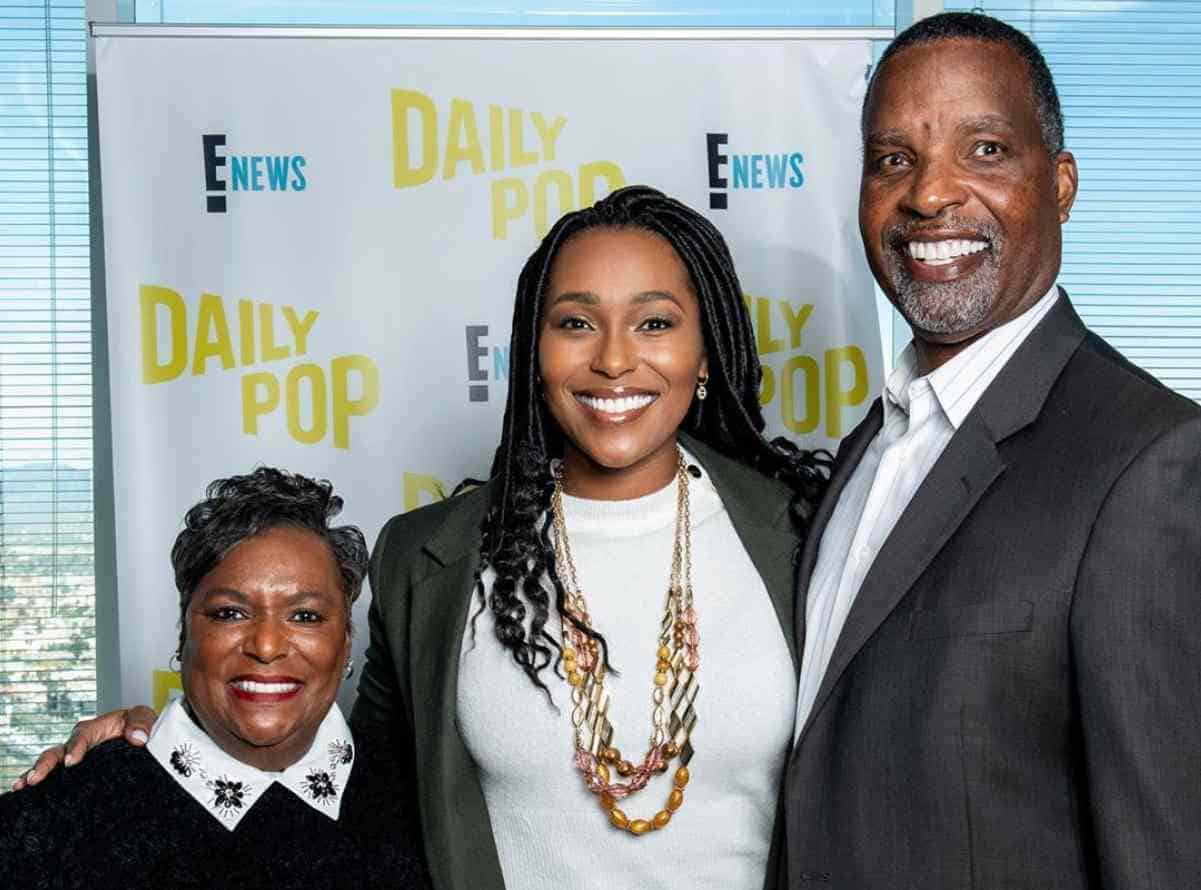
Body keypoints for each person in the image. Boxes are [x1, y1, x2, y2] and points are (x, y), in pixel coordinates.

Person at [16, 186, 828, 890]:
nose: (613, 360)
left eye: (654, 322)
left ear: (705, 354)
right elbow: (347, 781)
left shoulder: (805, 529)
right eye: (575, 322)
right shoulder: (431, 557)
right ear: (533, 355)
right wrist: (149, 752)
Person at [777, 12, 1201, 889]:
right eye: (892, 159)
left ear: (1060, 185)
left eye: (984, 150)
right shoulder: (869, 445)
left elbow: (1163, 851)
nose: (929, 195)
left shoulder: (1149, 461)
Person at [0, 468, 429, 889]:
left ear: (346, 641)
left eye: (305, 616)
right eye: (230, 613)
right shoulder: (59, 819)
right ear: (184, 632)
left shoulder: (425, 807)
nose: (265, 645)